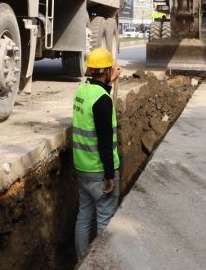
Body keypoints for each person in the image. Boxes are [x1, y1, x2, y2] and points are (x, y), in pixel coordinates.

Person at [73, 47, 122, 257]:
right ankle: (102, 262)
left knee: (84, 215)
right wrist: (110, 175)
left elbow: (99, 93)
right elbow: (104, 141)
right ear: (107, 70)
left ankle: (82, 259)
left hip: (82, 167)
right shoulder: (103, 100)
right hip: (99, 169)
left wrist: (110, 83)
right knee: (105, 219)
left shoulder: (82, 91)